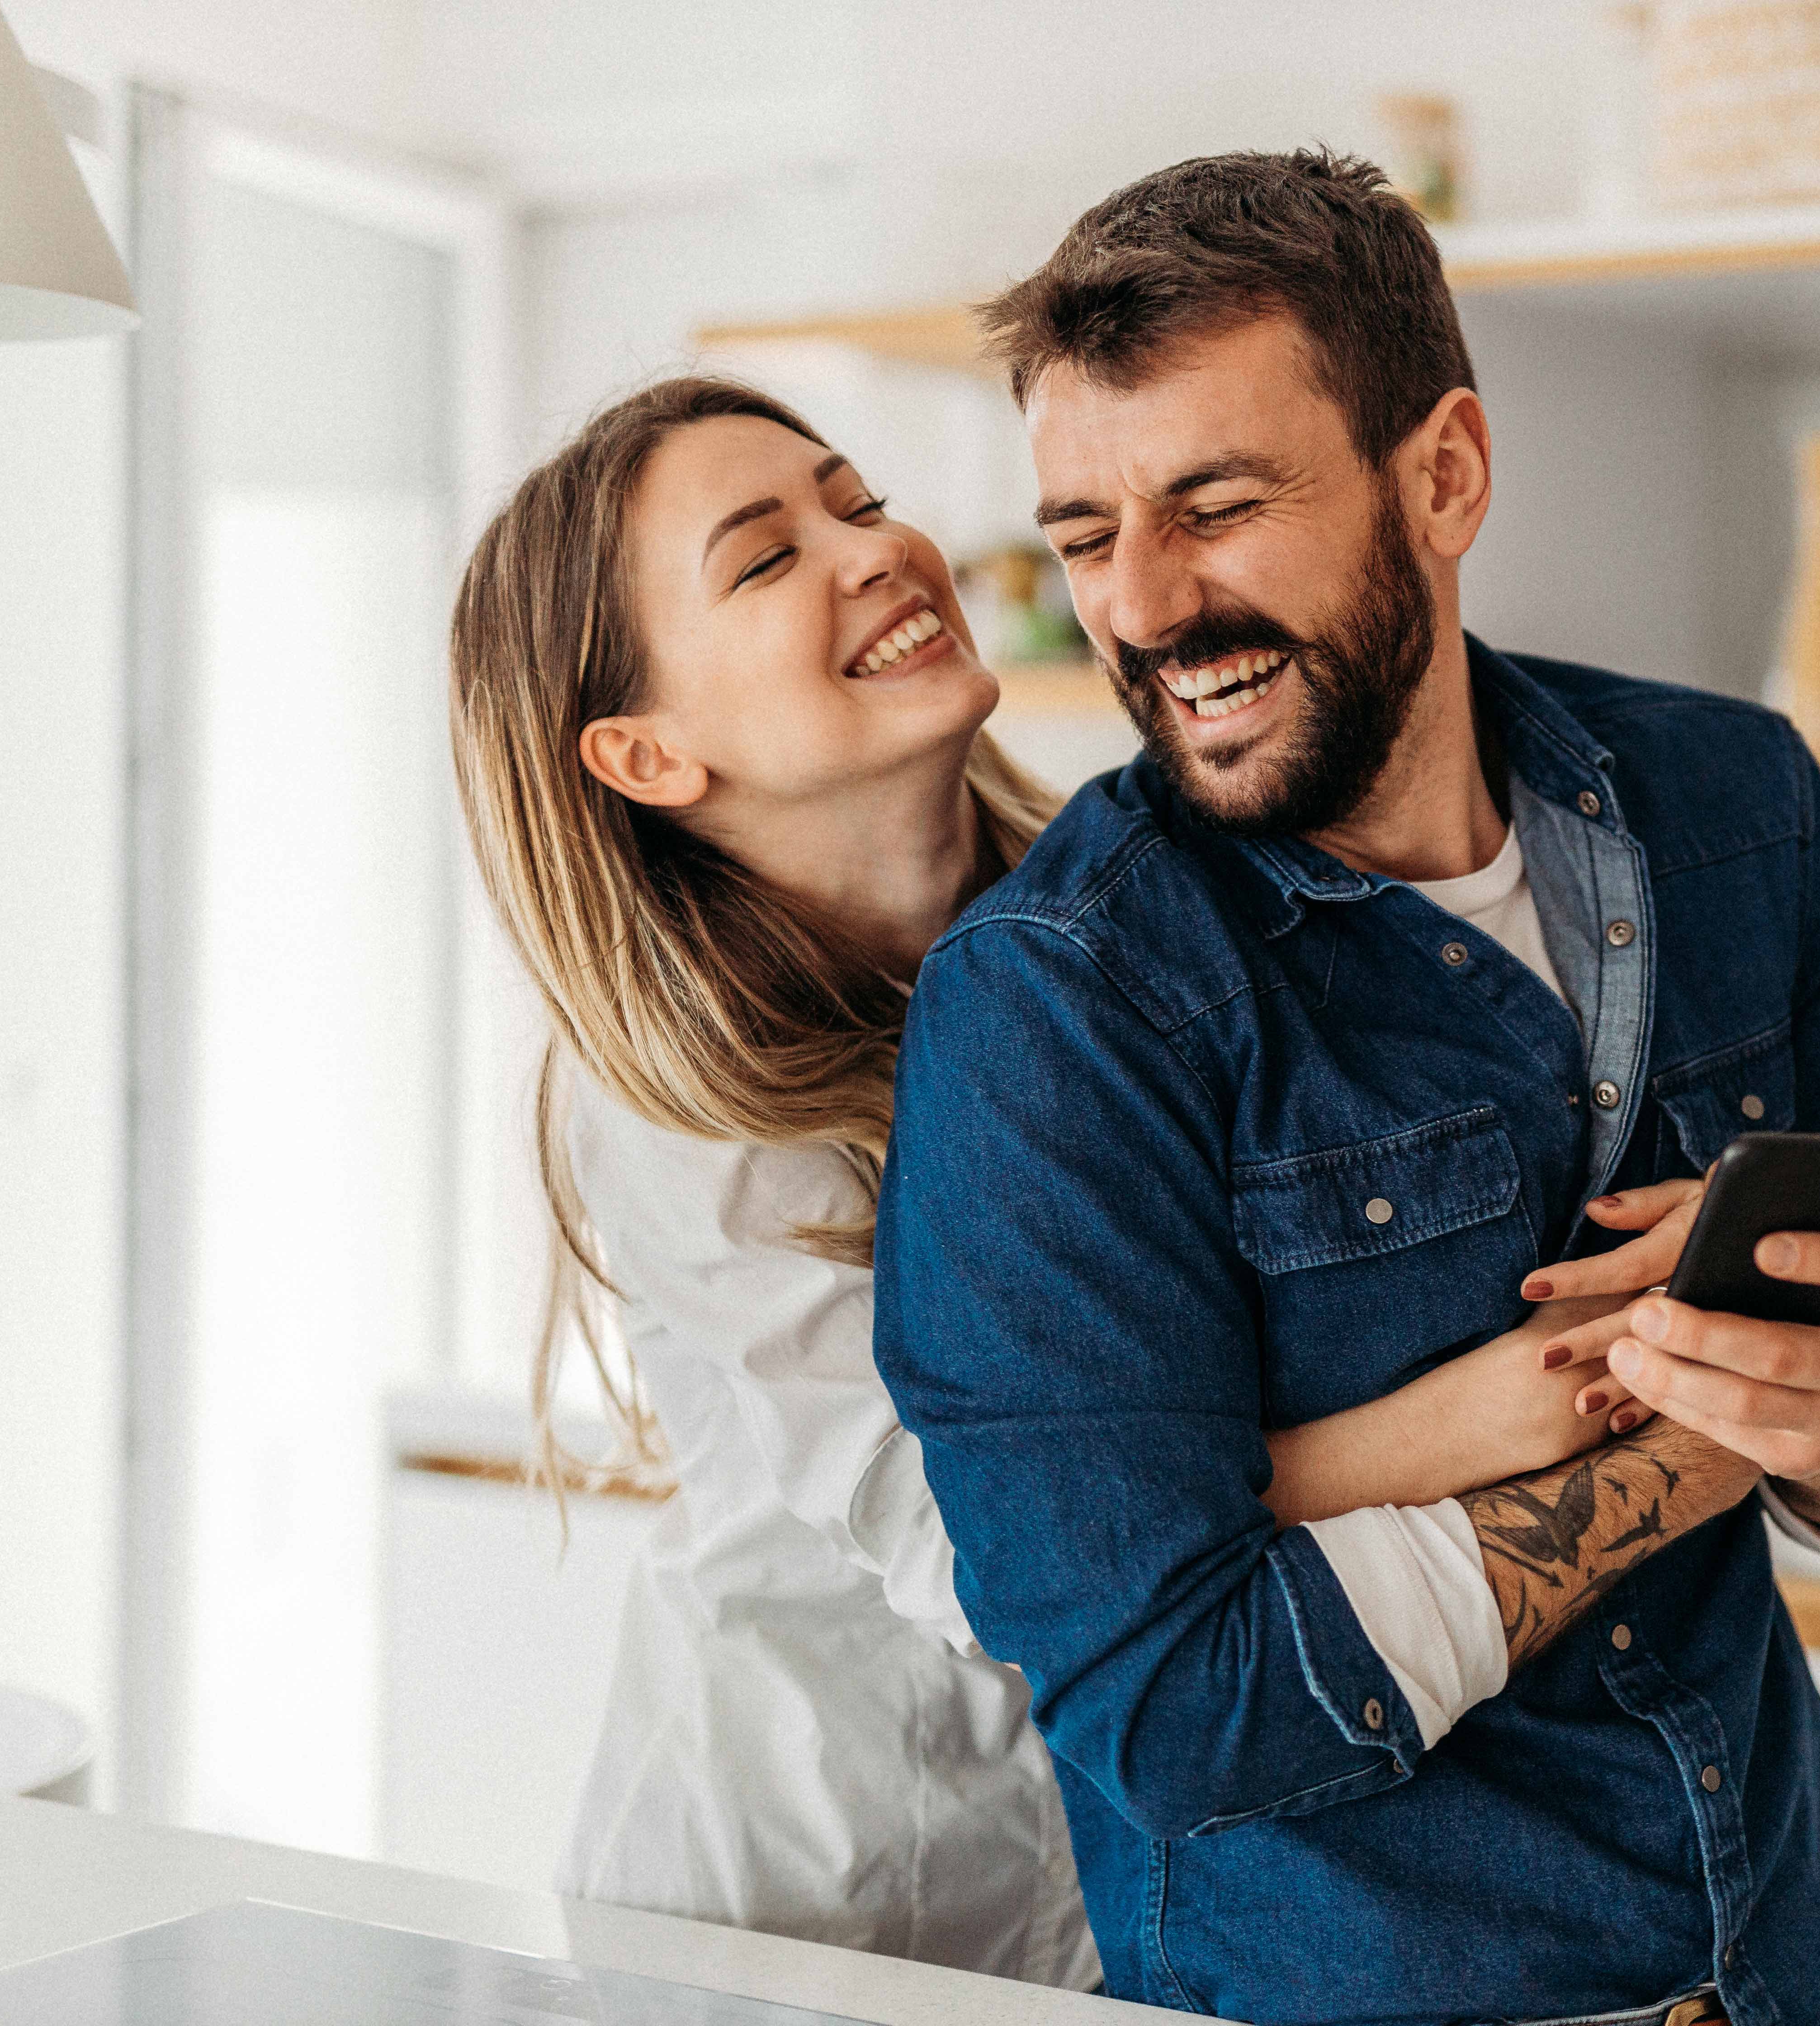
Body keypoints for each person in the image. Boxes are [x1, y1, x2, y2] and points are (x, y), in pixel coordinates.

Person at [875, 151, 1820, 2026]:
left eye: (1215, 506)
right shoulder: (1056, 1007)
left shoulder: (1739, 807)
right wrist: (1700, 1443)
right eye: (1084, 536)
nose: (1143, 608)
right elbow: (1178, 1706)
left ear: (1446, 474)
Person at [444, 375, 1703, 1985]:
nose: (875, 548)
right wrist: (1476, 1418)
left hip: (1134, 1878)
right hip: (807, 1901)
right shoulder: (675, 1110)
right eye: (766, 560)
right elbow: (994, 1552)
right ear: (645, 751)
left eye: (855, 496)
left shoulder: (1123, 924)